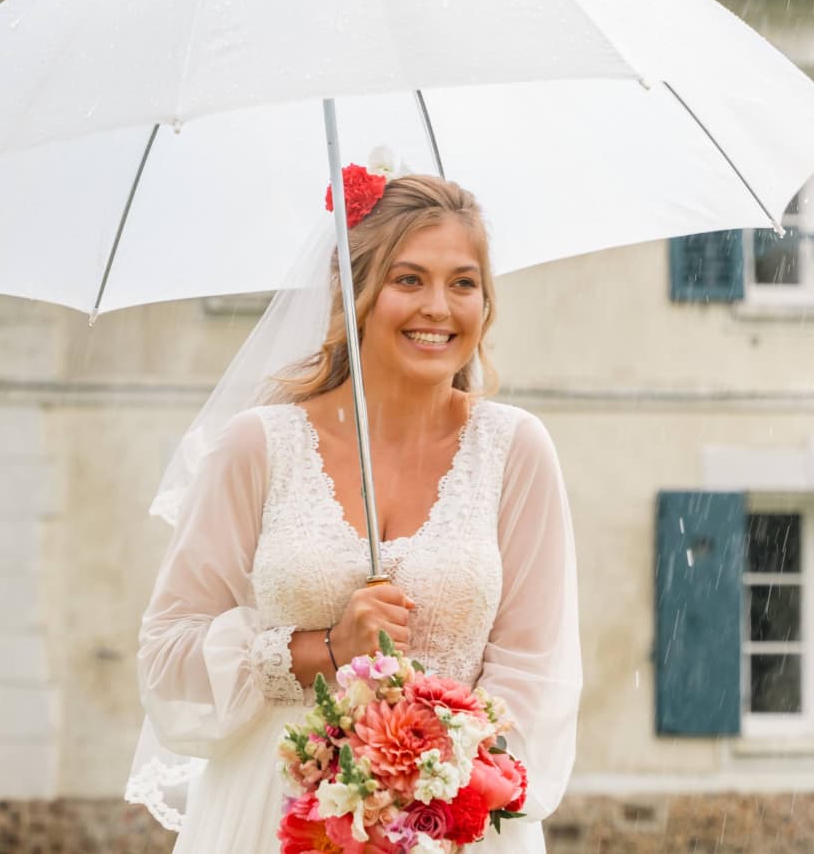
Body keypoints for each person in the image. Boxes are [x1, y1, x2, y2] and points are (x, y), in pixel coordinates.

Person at [127, 174, 581, 853]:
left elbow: (533, 671)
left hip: (452, 825)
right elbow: (168, 658)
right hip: (275, 816)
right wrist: (324, 651)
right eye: (408, 279)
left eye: (464, 283)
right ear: (354, 294)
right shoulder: (257, 447)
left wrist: (426, 789)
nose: (439, 308)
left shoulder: (515, 451)